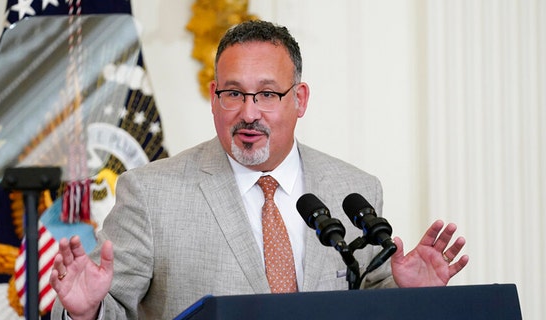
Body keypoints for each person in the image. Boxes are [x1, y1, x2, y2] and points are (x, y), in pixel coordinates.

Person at [49, 20, 469, 320]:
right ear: (214, 97)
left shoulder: (354, 189)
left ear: (300, 99)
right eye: (234, 93)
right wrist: (83, 313)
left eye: (268, 94)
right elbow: (109, 304)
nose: (249, 113)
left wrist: (410, 295)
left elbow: (368, 300)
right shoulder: (151, 194)